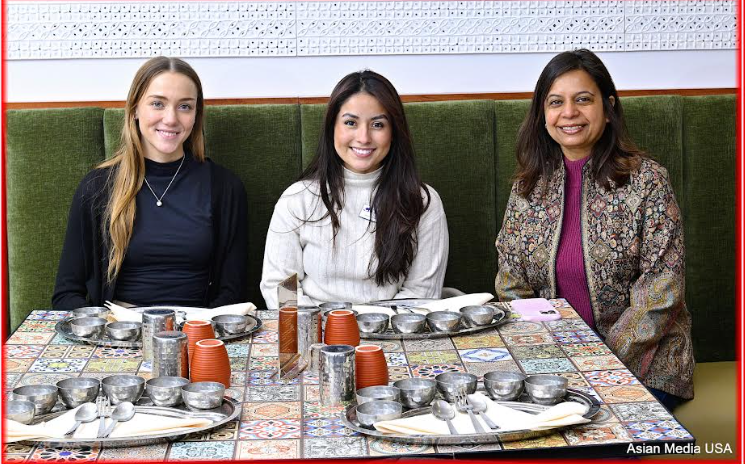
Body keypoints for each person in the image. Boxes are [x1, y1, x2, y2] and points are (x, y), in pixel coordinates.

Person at [494, 49, 694, 409]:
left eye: (583, 99)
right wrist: (550, 356)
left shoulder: (647, 182)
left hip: (645, 365)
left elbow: (661, 294)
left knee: (585, 423)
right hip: (553, 362)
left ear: (608, 107)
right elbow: (512, 286)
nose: (569, 112)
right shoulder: (528, 187)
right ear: (542, 115)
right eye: (556, 102)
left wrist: (597, 363)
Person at [53, 57, 248, 309]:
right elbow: (66, 294)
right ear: (135, 109)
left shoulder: (226, 188)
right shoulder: (97, 187)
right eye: (157, 103)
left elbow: (232, 293)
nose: (171, 119)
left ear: (196, 115)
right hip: (120, 328)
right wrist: (108, 326)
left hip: (197, 327)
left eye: (185, 106)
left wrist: (195, 328)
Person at [260, 70, 449, 308]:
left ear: (394, 132)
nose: (364, 137)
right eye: (350, 123)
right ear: (332, 127)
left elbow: (422, 293)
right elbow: (280, 286)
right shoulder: (297, 199)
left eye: (378, 124)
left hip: (393, 326)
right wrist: (321, 325)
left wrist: (373, 325)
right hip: (315, 326)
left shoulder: (422, 202)